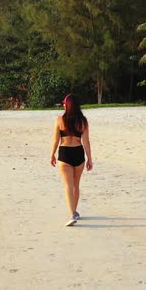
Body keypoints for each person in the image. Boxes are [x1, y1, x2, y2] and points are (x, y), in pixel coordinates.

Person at [50, 94, 93, 226]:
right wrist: (89, 159)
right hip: (78, 153)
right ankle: (74, 212)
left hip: (64, 153)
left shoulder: (59, 120)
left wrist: (52, 154)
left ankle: (72, 214)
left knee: (68, 185)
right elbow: (86, 142)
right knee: (76, 185)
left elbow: (56, 140)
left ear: (65, 105)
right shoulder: (83, 121)